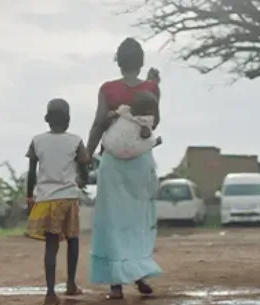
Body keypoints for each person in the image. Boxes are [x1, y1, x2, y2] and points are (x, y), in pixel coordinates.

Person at [87, 37, 162, 300]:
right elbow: (154, 123)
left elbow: (98, 124)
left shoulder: (107, 89)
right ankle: (140, 275)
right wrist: (155, 88)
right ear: (141, 62)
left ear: (118, 61)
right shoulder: (151, 87)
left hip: (113, 163)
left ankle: (115, 285)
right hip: (141, 162)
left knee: (112, 221)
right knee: (138, 222)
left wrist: (87, 154)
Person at [25, 98, 90, 305]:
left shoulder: (37, 141)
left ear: (47, 119)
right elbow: (84, 170)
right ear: (68, 119)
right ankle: (71, 284)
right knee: (73, 240)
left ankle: (50, 293)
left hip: (46, 198)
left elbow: (31, 173)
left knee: (51, 246)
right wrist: (81, 182)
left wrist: (29, 196)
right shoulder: (76, 141)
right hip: (68, 198)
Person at [101, 90, 160, 159]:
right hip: (130, 150)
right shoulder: (128, 111)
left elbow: (146, 131)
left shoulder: (143, 118)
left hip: (115, 147)